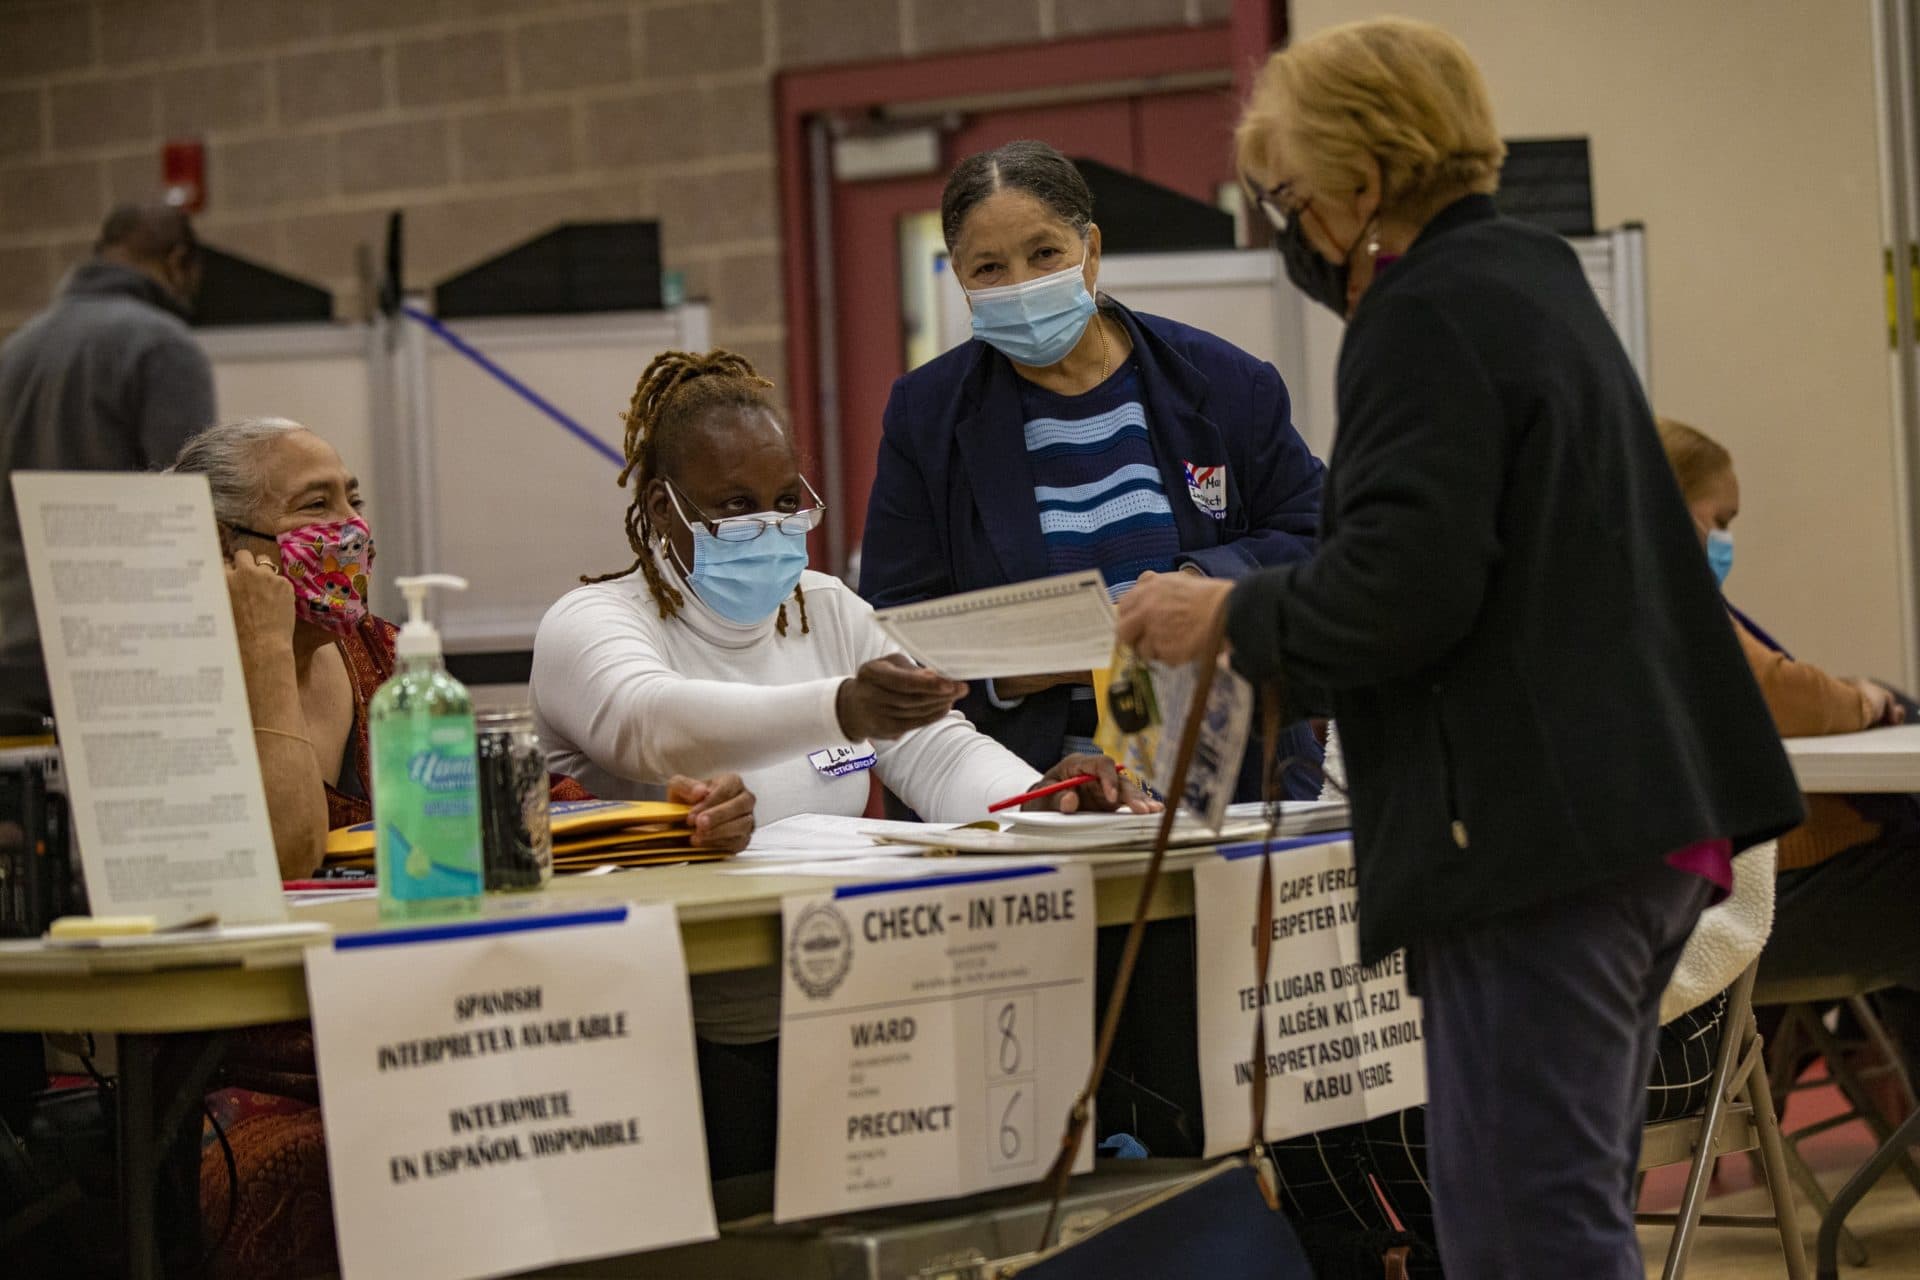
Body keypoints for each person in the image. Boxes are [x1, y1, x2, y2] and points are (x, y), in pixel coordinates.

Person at [1117, 19, 1803, 1277]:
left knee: (1525, 1230)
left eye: (1293, 195)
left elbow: (1402, 591)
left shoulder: (1424, 311)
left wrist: (1225, 615)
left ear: (1365, 181)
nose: (1297, 227)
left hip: (1542, 838)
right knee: (1554, 1208)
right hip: (1636, 815)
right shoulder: (1531, 274)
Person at [531, 347, 1150, 1178]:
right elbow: (652, 725)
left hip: (845, 1011)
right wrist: (839, 707)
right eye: (736, 506)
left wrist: (1045, 796)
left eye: (788, 502)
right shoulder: (592, 623)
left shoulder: (825, 609)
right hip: (668, 1035)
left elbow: (934, 749)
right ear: (661, 508)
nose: (772, 527)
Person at [168, 416, 749, 1278]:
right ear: (223, 545)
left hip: (416, 1014)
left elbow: (498, 799)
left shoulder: (378, 653)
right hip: (262, 1058)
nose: (351, 529)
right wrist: (259, 642)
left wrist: (666, 815)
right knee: (307, 1168)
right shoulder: (181, 680)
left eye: (354, 500)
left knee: (606, 1104)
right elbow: (290, 854)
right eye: (314, 505)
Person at [858, 139, 1325, 799]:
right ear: (960, 279)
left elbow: (1314, 532)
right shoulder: (926, 417)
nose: (1021, 285)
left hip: (1229, 776)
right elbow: (894, 620)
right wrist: (1013, 670)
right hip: (1037, 786)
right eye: (989, 268)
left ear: (1092, 251)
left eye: (1045, 254)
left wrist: (1197, 587)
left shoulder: (1224, 384)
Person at [1659, 416, 1920, 1065]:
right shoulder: (1655, 595)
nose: (1724, 540)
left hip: (1653, 916)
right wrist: (1865, 700)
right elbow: (1776, 692)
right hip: (1697, 921)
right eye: (1719, 518)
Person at [0, 203, 214, 718]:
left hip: (13, 650)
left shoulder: (15, 350)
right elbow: (188, 510)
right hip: (116, 655)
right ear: (178, 259)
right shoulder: (164, 347)